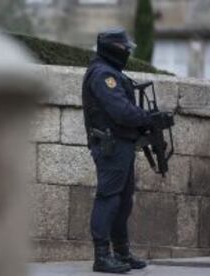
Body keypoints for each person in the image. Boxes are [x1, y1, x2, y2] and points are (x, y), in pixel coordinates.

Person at [82, 28, 150, 273]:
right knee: (109, 198)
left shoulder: (111, 72)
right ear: (112, 48)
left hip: (121, 144)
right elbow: (120, 111)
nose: (128, 51)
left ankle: (121, 252)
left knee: (122, 201)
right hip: (111, 146)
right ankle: (102, 257)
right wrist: (146, 118)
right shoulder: (103, 75)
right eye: (124, 48)